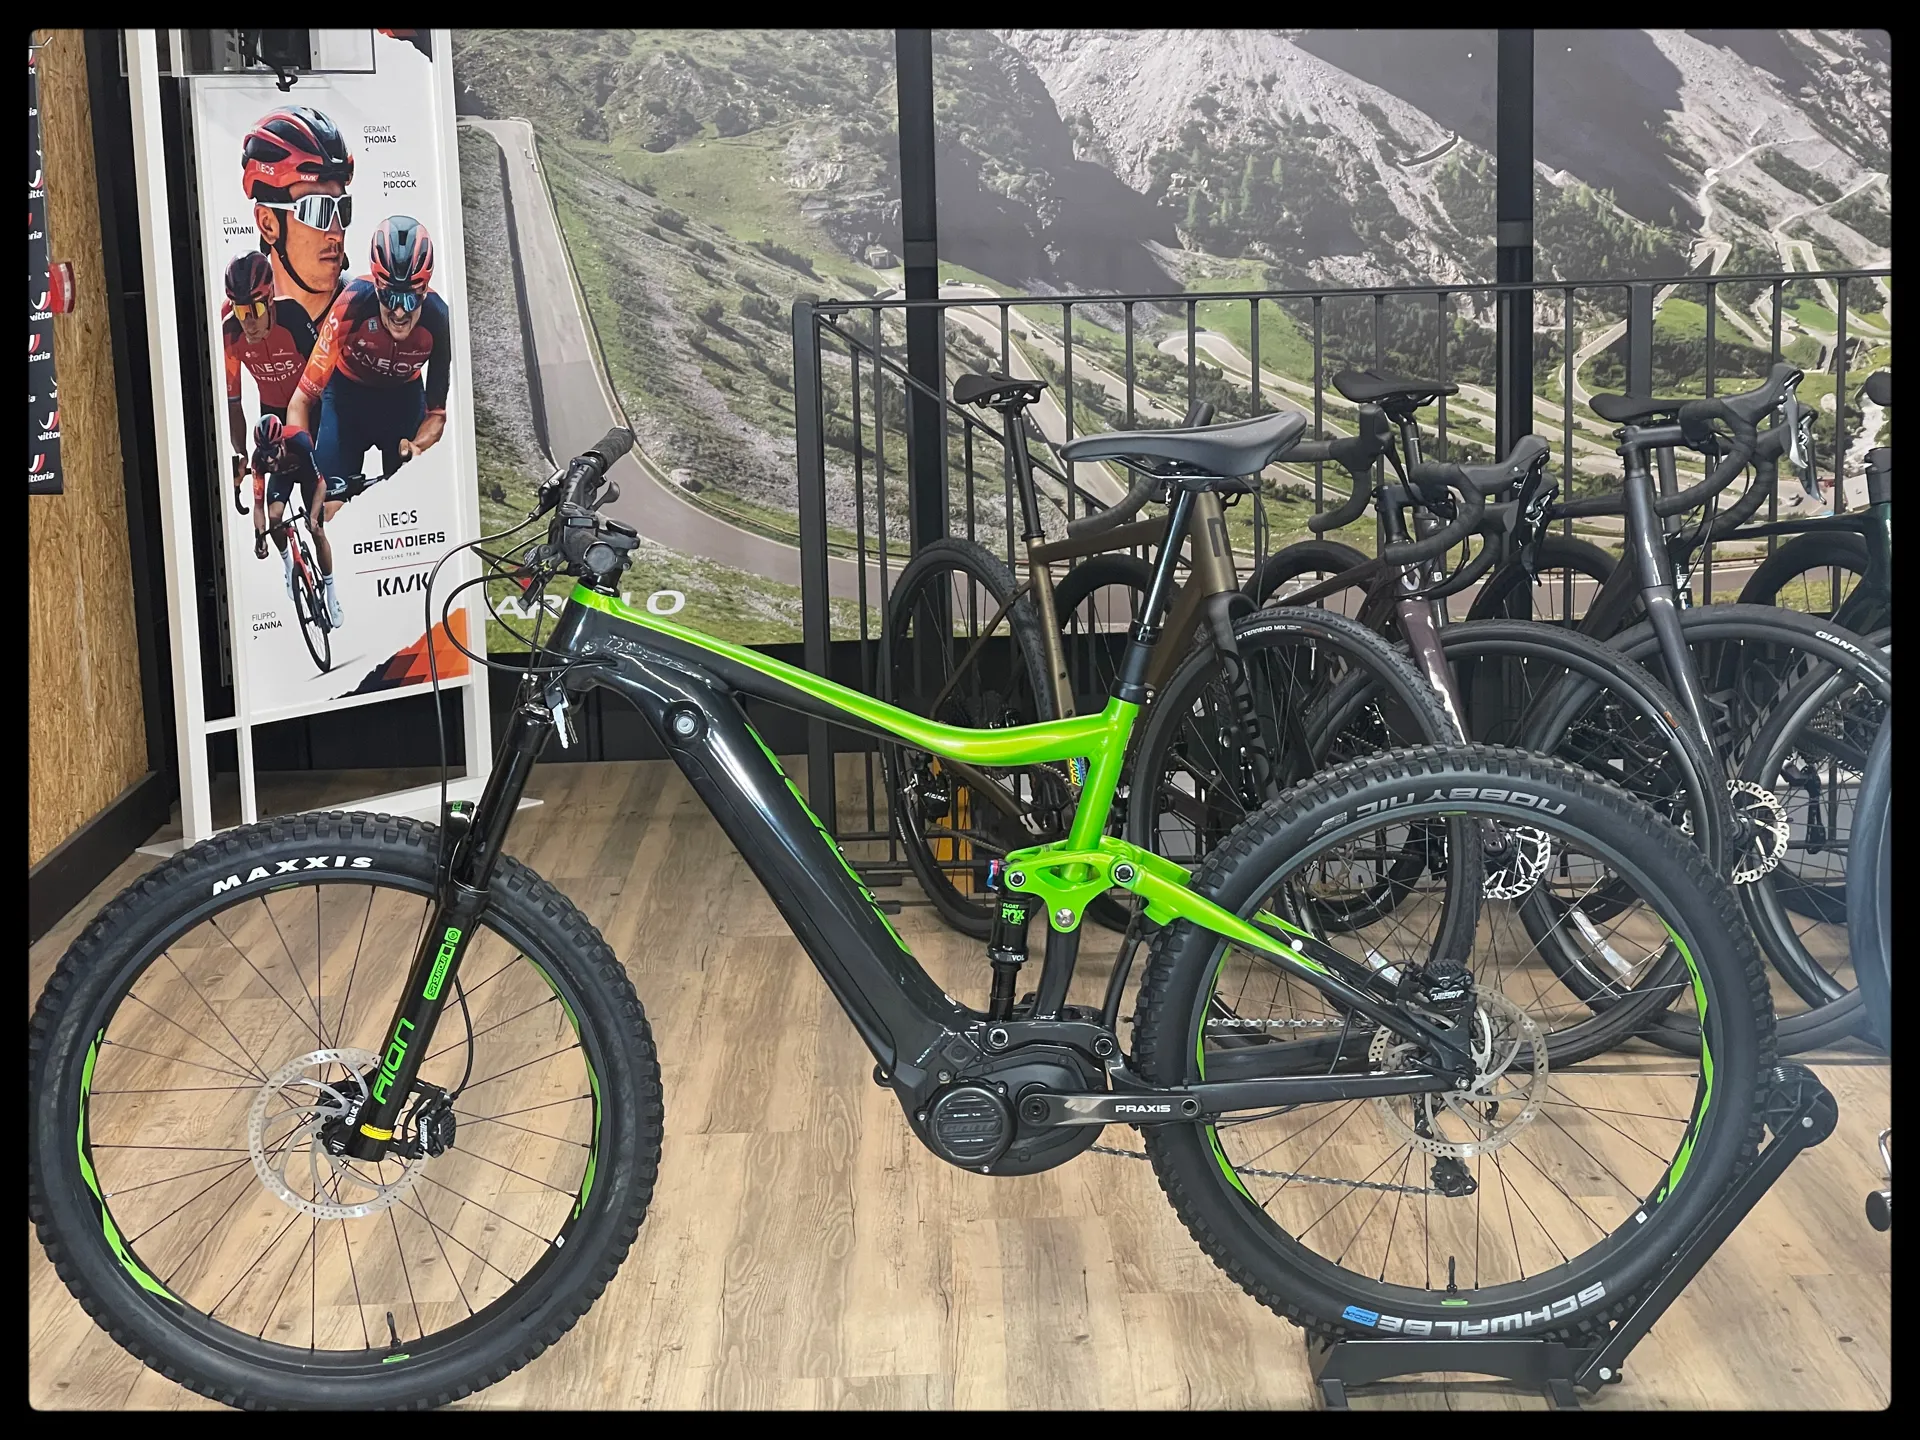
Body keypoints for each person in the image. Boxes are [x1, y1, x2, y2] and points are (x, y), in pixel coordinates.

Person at [288, 215, 450, 502]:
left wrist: (418, 446)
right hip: (346, 399)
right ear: (375, 285)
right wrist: (307, 470)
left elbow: (436, 415)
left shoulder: (439, 320)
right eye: (389, 296)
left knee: (410, 501)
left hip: (402, 402)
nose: (399, 312)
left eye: (410, 299)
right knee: (327, 505)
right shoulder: (352, 304)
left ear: (425, 290)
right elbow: (300, 401)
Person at [241, 105, 355, 326]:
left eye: (342, 209)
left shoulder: (369, 315)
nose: (336, 232)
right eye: (316, 210)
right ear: (268, 224)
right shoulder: (241, 321)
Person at [220, 251, 319, 476]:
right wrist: (241, 453)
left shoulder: (293, 317)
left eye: (256, 309)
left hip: (312, 407)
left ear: (271, 296)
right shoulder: (230, 332)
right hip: (272, 414)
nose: (249, 323)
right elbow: (234, 403)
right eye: (241, 311)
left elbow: (326, 378)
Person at [244, 413, 343, 628]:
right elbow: (258, 506)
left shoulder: (300, 442)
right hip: (283, 477)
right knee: (274, 517)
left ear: (281, 444)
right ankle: (289, 567)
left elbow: (321, 484)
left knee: (317, 531)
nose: (269, 460)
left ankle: (331, 593)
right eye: (264, 454)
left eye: (272, 453)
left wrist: (313, 517)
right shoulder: (259, 460)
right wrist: (259, 537)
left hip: (307, 476)